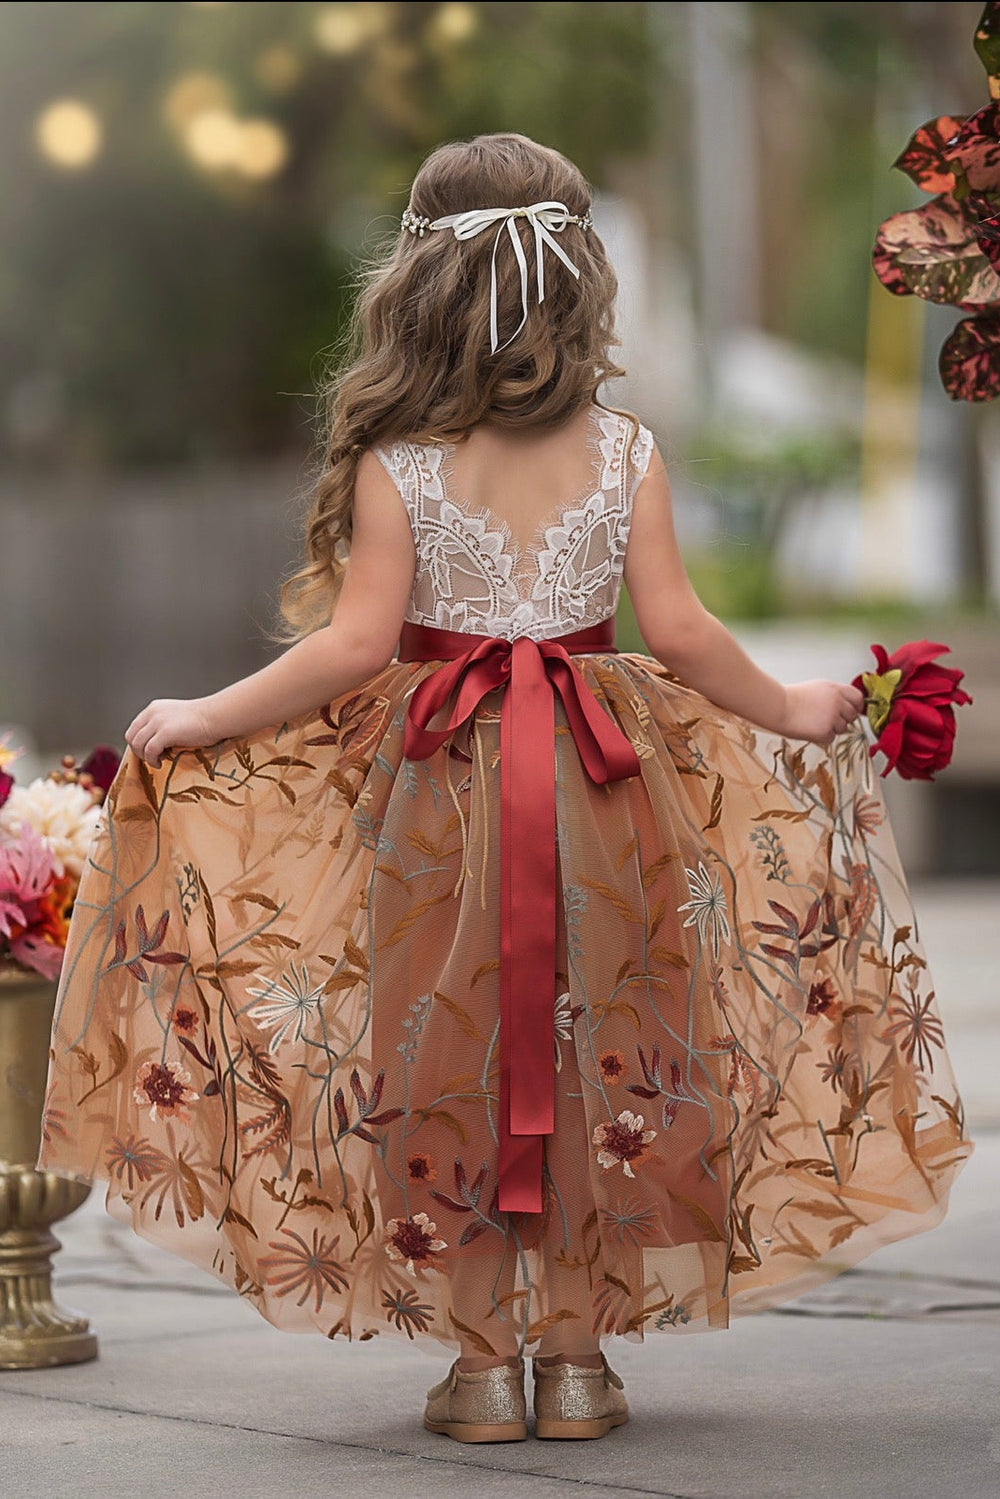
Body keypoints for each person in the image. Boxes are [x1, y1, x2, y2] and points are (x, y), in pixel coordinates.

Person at [38, 132, 972, 1445]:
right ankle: (578, 1364)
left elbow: (355, 648)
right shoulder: (626, 451)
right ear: (580, 281)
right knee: (609, 1046)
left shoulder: (401, 464)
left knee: (443, 1050)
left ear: (419, 288)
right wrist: (793, 705)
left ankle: (484, 1368)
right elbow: (681, 633)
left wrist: (205, 713)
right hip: (605, 786)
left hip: (442, 792)